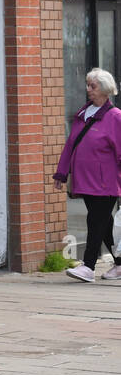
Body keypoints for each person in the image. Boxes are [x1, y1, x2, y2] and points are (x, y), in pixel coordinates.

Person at [53, 68, 121, 282]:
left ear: (105, 89)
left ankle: (88, 266)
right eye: (88, 85)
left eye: (93, 86)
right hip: (85, 181)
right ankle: (120, 265)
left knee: (95, 221)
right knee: (104, 222)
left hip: (105, 182)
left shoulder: (115, 117)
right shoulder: (83, 114)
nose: (88, 89)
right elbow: (71, 145)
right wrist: (61, 173)